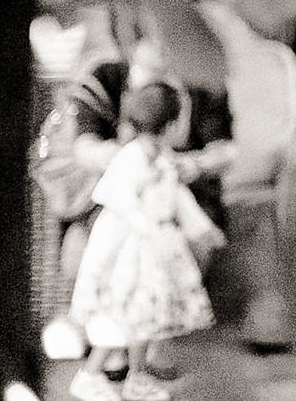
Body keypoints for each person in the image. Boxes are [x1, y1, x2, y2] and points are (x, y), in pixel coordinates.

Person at [68, 82, 221, 401]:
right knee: (120, 320)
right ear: (170, 124)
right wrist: (150, 229)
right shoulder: (130, 159)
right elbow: (121, 201)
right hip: (129, 253)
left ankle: (136, 377)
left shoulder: (163, 160)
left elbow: (179, 198)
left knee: (144, 322)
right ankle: (89, 375)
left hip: (156, 251)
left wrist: (201, 228)